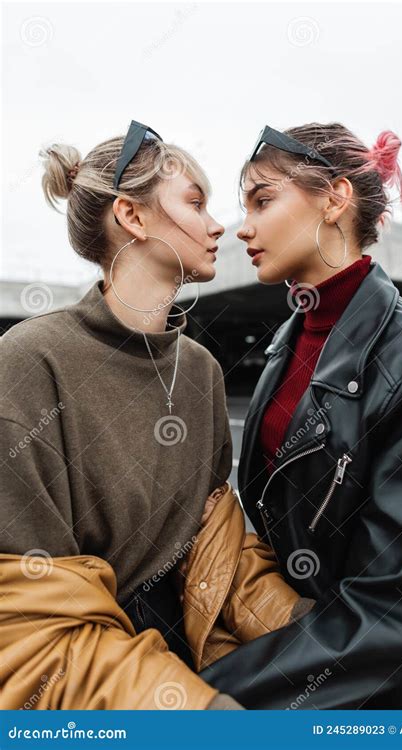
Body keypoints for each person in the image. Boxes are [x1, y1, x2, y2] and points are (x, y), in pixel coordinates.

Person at [0, 121, 314, 710]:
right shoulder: (26, 362)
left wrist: (313, 628)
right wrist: (201, 714)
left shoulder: (200, 369)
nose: (219, 224)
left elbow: (213, 545)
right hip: (96, 688)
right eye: (195, 203)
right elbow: (26, 627)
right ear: (133, 217)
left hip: (191, 654)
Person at [200, 122, 402, 709]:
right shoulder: (285, 344)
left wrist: (214, 695)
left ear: (335, 198)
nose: (242, 226)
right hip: (306, 647)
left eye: (263, 200)